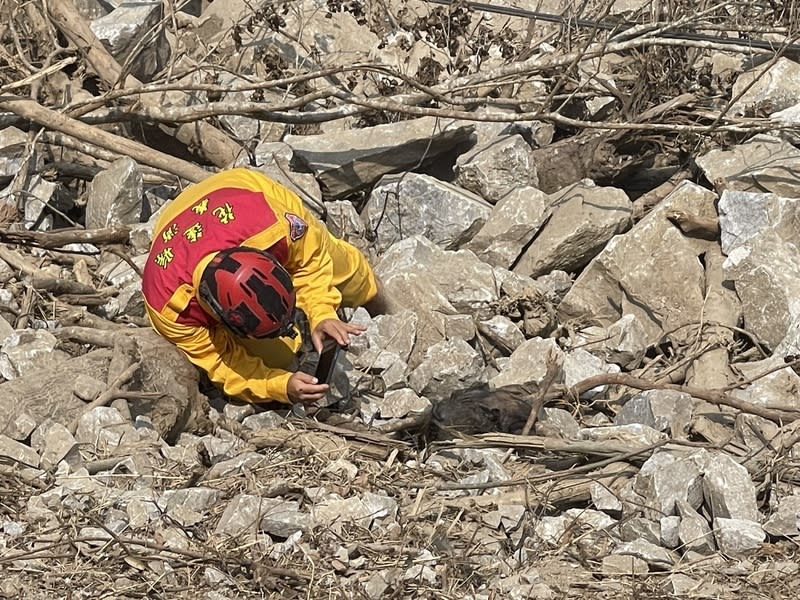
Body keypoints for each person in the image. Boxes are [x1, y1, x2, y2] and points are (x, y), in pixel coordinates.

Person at [141, 168, 380, 405]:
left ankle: (377, 295)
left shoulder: (274, 227)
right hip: (173, 224)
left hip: (244, 189)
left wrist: (322, 314)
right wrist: (280, 386)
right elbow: (222, 364)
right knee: (278, 359)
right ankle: (288, 338)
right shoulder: (170, 308)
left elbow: (311, 260)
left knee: (344, 270)